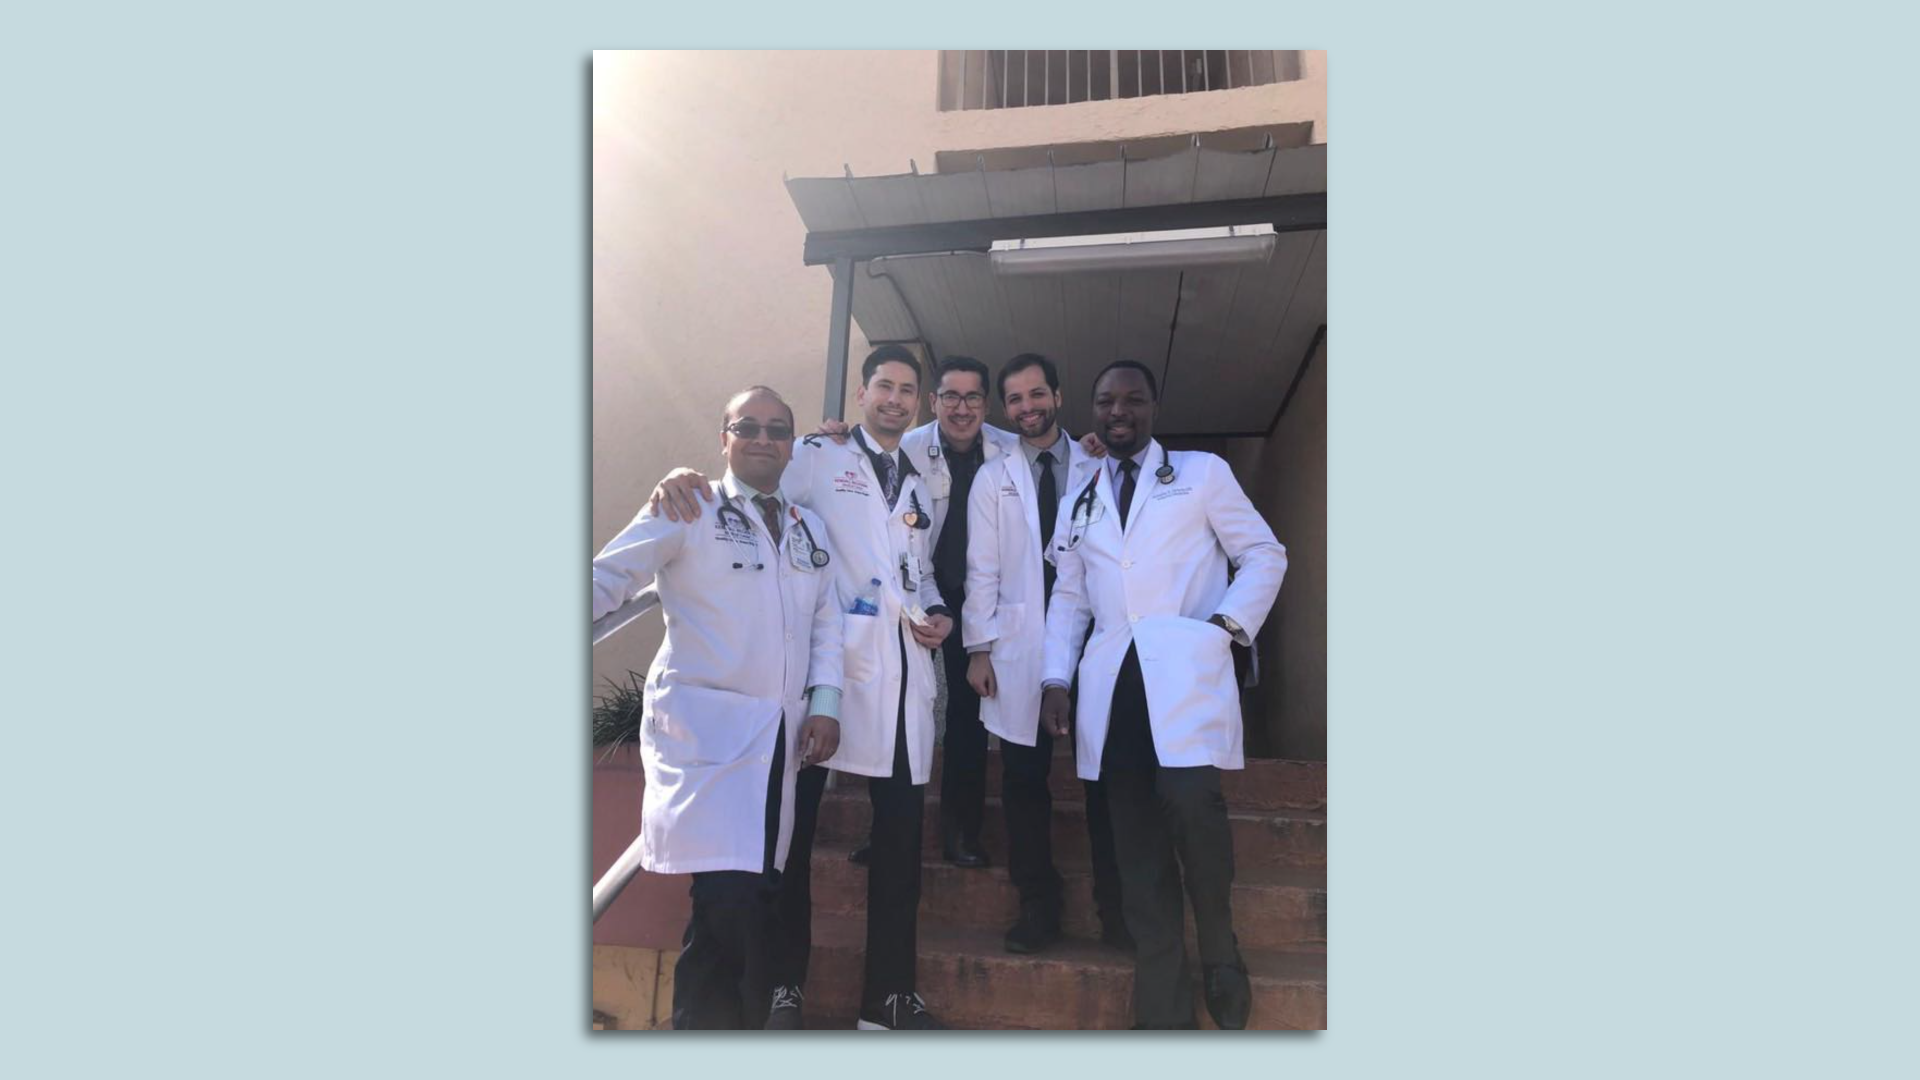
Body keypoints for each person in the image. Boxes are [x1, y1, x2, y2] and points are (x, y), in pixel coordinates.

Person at [650, 345, 954, 1030]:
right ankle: (783, 985)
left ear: (919, 402)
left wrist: (935, 609)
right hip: (821, 679)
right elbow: (753, 503)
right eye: (885, 387)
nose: (896, 400)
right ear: (863, 391)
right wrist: (680, 478)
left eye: (909, 391)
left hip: (899, 675)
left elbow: (917, 569)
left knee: (901, 841)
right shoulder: (818, 454)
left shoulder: (920, 478)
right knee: (789, 838)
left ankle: (889, 998)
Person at [1038, 360, 1287, 1030]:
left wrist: (1226, 629)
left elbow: (1264, 553)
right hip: (1112, 685)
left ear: (1153, 407)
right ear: (1091, 409)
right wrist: (1054, 678)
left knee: (1192, 810)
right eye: (1106, 402)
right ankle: (1163, 1010)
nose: (1119, 412)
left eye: (1133, 401)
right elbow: (1068, 597)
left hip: (1183, 671)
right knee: (1135, 842)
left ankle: (1219, 945)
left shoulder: (1201, 473)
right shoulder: (1081, 496)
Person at [590, 386, 843, 1030]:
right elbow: (610, 576)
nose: (763, 438)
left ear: (793, 444)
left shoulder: (808, 527)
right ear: (723, 437)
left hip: (779, 738)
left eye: (777, 429)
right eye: (748, 426)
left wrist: (826, 701)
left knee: (755, 898)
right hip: (708, 735)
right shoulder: (689, 505)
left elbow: (826, 624)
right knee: (725, 900)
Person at [962, 353, 1129, 954]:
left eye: (1038, 394)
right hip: (1019, 646)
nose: (1027, 406)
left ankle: (1118, 907)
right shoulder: (993, 476)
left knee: (1106, 778)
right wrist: (979, 648)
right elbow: (980, 569)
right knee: (1024, 782)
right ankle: (1039, 903)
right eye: (1015, 399)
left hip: (1100, 640)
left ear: (1058, 396)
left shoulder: (1100, 462)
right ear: (1006, 410)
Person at [899, 356, 1019, 869]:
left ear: (986, 405)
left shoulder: (1009, 450)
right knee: (900, 708)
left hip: (982, 602)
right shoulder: (907, 448)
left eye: (973, 398)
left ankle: (960, 833)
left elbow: (1065, 458)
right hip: (920, 594)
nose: (962, 408)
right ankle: (888, 826)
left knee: (968, 718)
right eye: (951, 396)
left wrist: (1092, 450)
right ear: (934, 401)